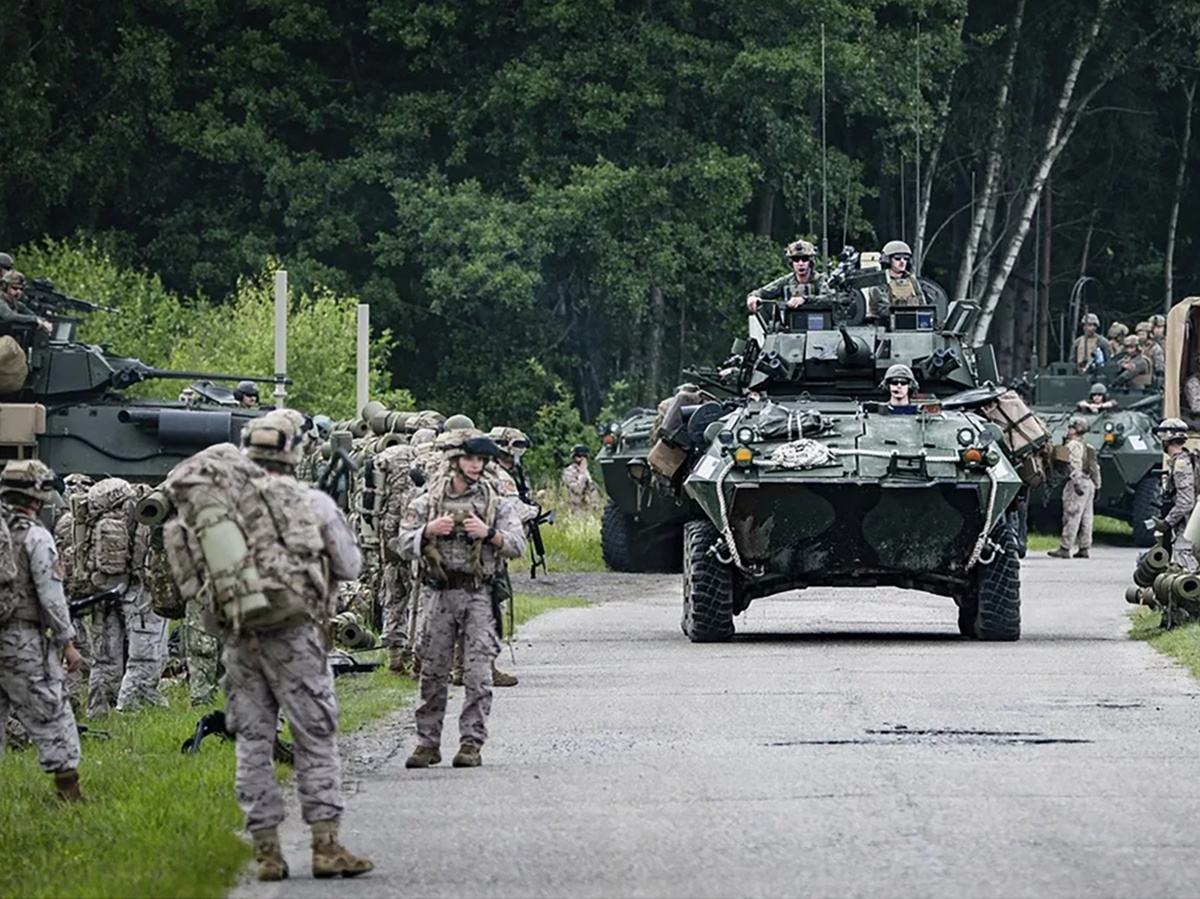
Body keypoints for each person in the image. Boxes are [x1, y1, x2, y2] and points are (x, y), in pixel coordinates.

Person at [210, 411, 372, 880]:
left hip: (240, 637)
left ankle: (266, 853)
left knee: (253, 742)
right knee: (314, 737)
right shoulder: (313, 503)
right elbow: (351, 566)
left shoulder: (223, 506)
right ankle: (325, 846)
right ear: (295, 454)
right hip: (297, 636)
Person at [398, 429, 526, 770]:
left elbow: (518, 544)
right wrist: (427, 531)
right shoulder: (428, 502)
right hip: (439, 594)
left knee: (478, 674)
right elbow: (401, 543)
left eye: (481, 459)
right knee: (432, 672)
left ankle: (471, 744)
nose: (476, 465)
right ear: (453, 461)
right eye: (469, 458)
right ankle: (427, 744)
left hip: (478, 594)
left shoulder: (495, 503)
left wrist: (490, 534)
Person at [0, 459, 85, 801]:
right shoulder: (35, 536)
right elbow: (51, 598)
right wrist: (68, 643)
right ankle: (68, 791)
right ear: (36, 497)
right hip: (21, 640)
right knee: (52, 712)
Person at [83, 477, 168, 716]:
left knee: (105, 658)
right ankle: (132, 708)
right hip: (138, 592)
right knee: (144, 656)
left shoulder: (99, 514)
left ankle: (98, 709)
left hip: (105, 588)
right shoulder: (147, 507)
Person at [1047, 416, 1100, 559]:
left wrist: (1076, 482)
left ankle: (1065, 548)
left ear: (1076, 430)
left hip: (1077, 482)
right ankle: (1085, 547)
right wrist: (1097, 485)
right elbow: (1095, 468)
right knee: (1087, 517)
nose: (1068, 430)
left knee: (1072, 514)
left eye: (1071, 428)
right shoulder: (1088, 446)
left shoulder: (1073, 445)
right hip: (1089, 482)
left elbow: (1074, 464)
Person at [1154, 418, 1196, 568]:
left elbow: (1186, 502)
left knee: (1183, 562)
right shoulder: (1185, 460)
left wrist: (1167, 522)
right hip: (1191, 520)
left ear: (1166, 440)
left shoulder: (1181, 464)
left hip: (1191, 522)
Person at [745, 239, 819, 313]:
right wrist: (753, 297)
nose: (800, 263)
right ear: (791, 262)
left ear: (810, 261)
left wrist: (805, 299)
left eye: (805, 259)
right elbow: (764, 292)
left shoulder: (820, 280)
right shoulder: (787, 281)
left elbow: (825, 299)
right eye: (796, 259)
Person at [872, 240, 925, 315]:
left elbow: (922, 304)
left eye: (905, 258)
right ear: (888, 260)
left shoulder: (912, 280)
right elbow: (881, 309)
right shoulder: (881, 282)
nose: (902, 261)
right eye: (897, 258)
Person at [561, 445, 599, 512]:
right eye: (579, 456)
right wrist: (582, 474)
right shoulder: (568, 472)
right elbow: (576, 490)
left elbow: (592, 489)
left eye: (584, 457)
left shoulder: (586, 471)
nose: (582, 459)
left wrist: (595, 504)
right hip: (573, 508)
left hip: (586, 508)